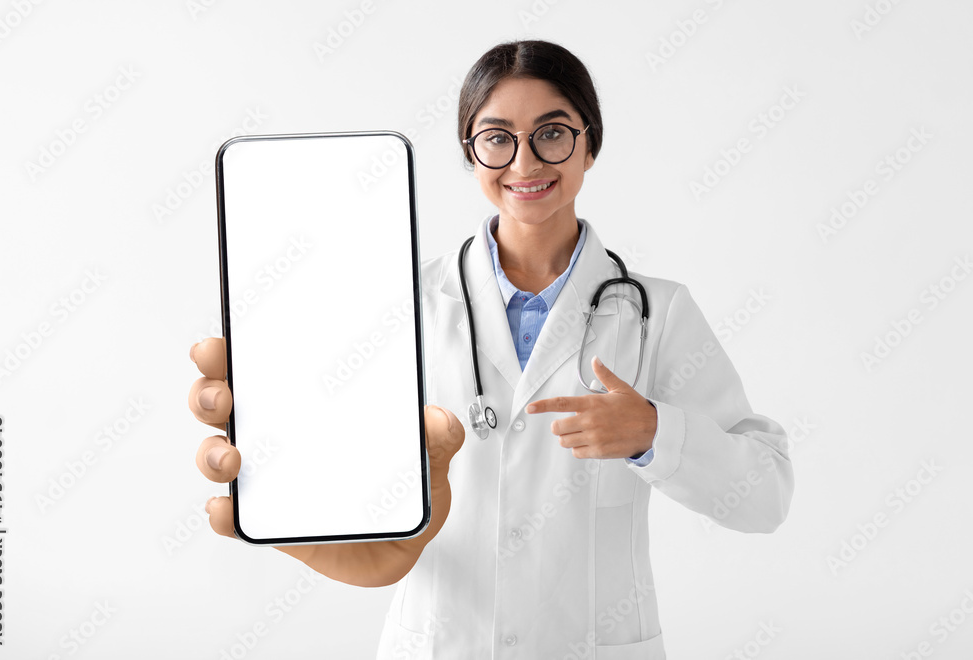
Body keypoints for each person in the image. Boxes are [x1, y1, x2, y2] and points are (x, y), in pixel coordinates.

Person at [189, 39, 794, 660]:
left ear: (591, 142)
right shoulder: (403, 305)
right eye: (498, 137)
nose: (525, 163)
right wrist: (282, 477)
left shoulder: (655, 313)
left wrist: (654, 432)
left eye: (552, 133)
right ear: (470, 153)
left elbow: (766, 496)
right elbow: (339, 464)